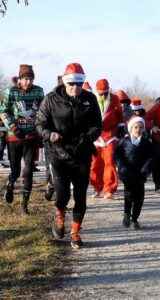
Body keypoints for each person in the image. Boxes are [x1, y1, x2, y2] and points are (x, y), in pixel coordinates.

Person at [36, 62, 102, 249]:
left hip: (81, 153)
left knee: (80, 196)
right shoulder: (51, 99)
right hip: (57, 152)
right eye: (71, 83)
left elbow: (97, 125)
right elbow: (40, 124)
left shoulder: (90, 99)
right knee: (63, 194)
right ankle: (59, 215)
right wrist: (50, 134)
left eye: (79, 84)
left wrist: (87, 137)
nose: (75, 88)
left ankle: (75, 233)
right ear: (65, 82)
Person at [0, 65, 44, 214]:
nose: (28, 82)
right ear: (19, 79)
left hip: (31, 137)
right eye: (25, 79)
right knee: (16, 170)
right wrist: (13, 127)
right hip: (14, 137)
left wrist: (42, 131)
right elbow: (3, 111)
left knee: (28, 170)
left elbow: (43, 111)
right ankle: (10, 185)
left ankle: (24, 205)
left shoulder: (39, 91)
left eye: (30, 79)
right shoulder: (11, 92)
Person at [115, 116, 153, 230]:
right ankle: (127, 214)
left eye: (141, 127)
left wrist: (145, 170)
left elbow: (150, 158)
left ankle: (135, 218)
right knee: (129, 195)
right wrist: (122, 168)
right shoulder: (123, 142)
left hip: (140, 174)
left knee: (140, 197)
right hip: (127, 174)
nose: (138, 129)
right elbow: (117, 156)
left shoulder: (146, 143)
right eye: (136, 127)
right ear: (131, 129)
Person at [90, 79, 123, 200]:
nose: (103, 95)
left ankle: (109, 189)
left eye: (105, 93)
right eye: (101, 93)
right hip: (95, 136)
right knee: (95, 164)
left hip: (110, 136)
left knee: (109, 162)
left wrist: (120, 130)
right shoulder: (91, 99)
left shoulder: (114, 99)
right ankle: (97, 187)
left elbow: (120, 116)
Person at [145, 88, 160, 194]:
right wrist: (152, 127)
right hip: (159, 140)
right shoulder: (158, 106)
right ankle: (158, 185)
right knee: (158, 164)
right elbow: (146, 118)